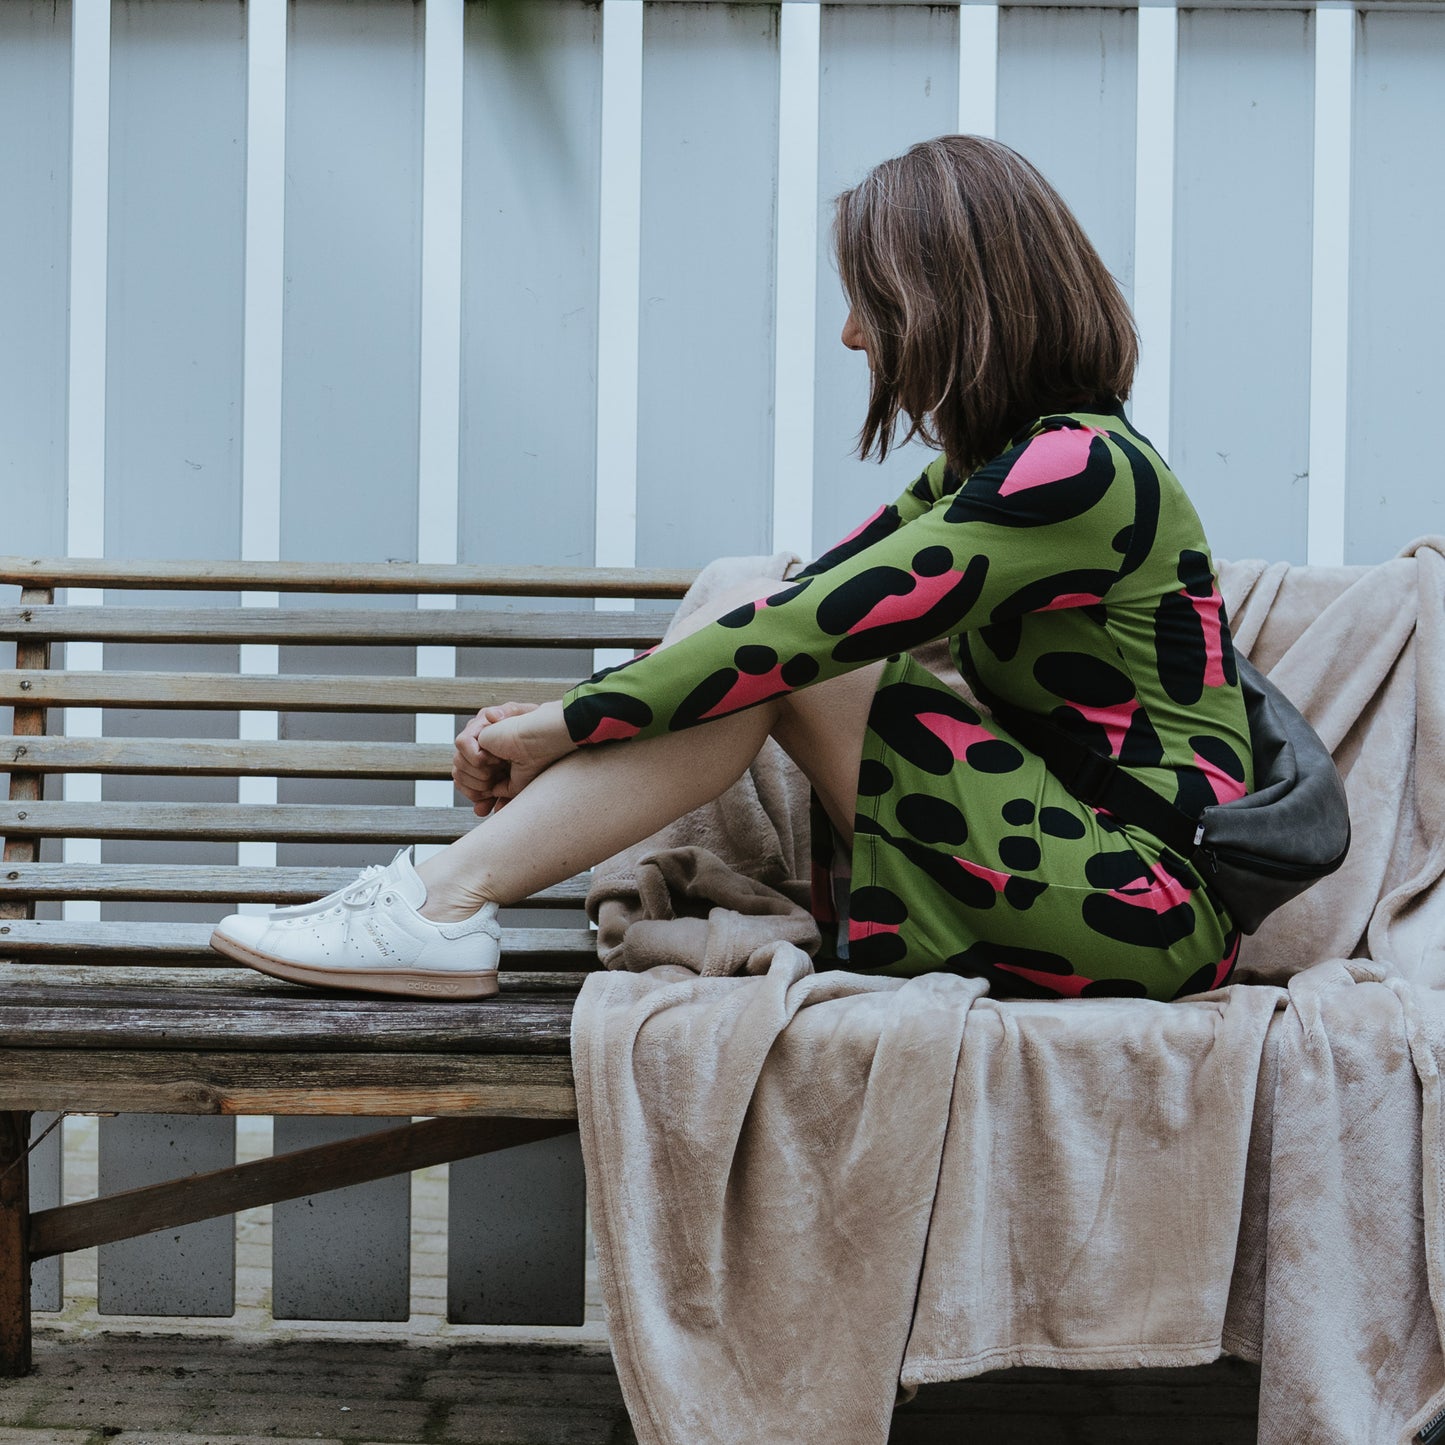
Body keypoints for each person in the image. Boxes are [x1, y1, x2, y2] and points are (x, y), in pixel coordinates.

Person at [211, 135, 1253, 1005]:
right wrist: (578, 712)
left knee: (780, 648)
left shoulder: (1081, 472)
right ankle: (436, 900)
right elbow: (804, 607)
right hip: (1067, 874)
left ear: (950, 304)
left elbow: (797, 633)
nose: (850, 334)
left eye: (870, 303)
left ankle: (435, 902)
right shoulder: (991, 472)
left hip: (1142, 904)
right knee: (766, 642)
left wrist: (546, 727)